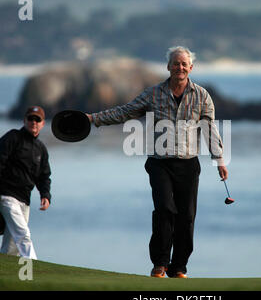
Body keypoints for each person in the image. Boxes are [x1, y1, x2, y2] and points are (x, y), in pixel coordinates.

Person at [87, 46, 228, 278]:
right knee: (164, 209)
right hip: (159, 163)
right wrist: (93, 119)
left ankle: (179, 267)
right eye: (176, 63)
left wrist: (220, 160)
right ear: (168, 67)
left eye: (184, 64)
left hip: (188, 164)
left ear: (190, 68)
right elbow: (126, 111)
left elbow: (210, 130)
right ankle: (160, 264)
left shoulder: (202, 95)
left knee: (187, 217)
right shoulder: (153, 94)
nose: (180, 67)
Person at [0, 106, 51, 259]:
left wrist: (45, 195)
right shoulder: (12, 138)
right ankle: (35, 269)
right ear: (24, 120)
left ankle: (6, 277)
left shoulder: (41, 149)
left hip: (24, 200)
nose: (34, 122)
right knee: (23, 235)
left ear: (43, 124)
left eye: (38, 120)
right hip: (6, 195)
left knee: (11, 248)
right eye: (31, 119)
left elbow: (44, 176)